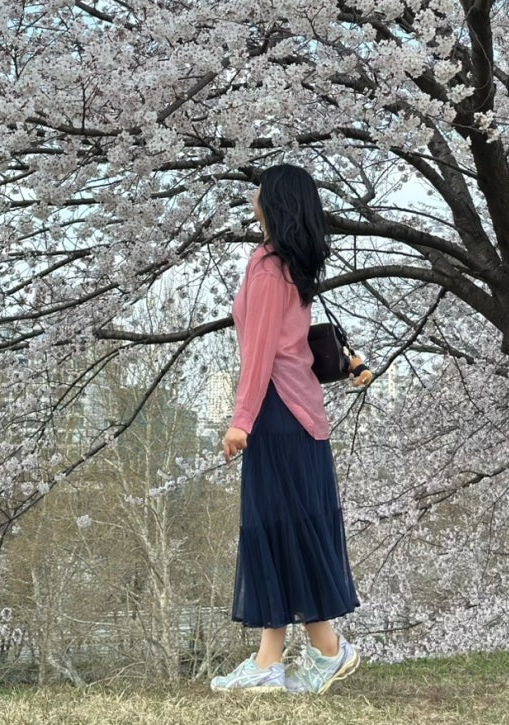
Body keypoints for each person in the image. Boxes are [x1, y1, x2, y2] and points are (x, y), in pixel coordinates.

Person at [210, 164, 360, 695]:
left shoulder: (269, 267)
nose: (253, 197)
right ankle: (285, 658)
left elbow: (260, 353)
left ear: (274, 203)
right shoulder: (290, 266)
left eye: (260, 191)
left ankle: (315, 653)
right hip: (300, 413)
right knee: (286, 527)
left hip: (276, 411)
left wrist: (240, 420)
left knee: (277, 525)